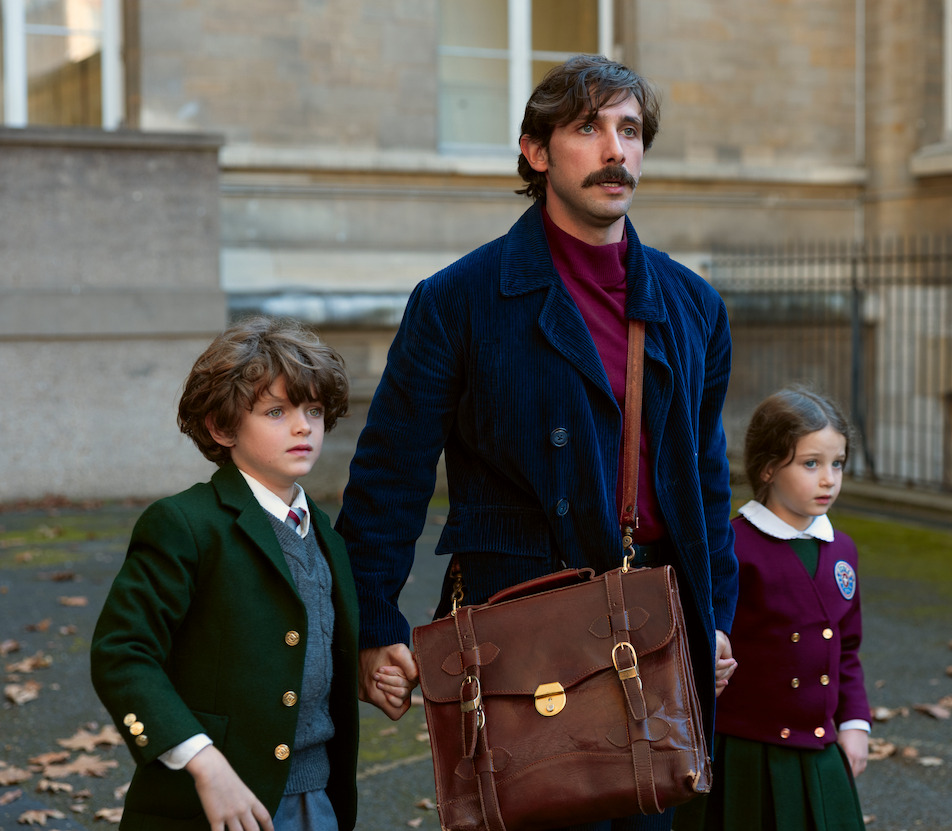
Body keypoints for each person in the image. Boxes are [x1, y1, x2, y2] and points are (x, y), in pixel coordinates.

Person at [336, 54, 739, 829]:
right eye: (587, 128)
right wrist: (375, 623)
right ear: (535, 150)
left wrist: (716, 613)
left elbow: (706, 479)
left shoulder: (692, 306)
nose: (614, 150)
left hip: (656, 626)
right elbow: (390, 474)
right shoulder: (458, 300)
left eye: (630, 130)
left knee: (657, 810)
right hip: (521, 630)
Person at [90, 316, 361, 831]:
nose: (304, 426)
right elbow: (121, 654)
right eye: (276, 411)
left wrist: (369, 666)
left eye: (314, 410)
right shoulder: (185, 524)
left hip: (317, 797)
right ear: (222, 427)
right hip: (209, 803)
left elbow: (304, 645)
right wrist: (204, 763)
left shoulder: (324, 531)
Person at [675, 384, 871, 831]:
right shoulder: (731, 547)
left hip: (820, 755)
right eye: (810, 464)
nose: (829, 479)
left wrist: (854, 722)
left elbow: (848, 648)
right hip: (743, 752)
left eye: (837, 464)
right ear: (766, 468)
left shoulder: (843, 550)